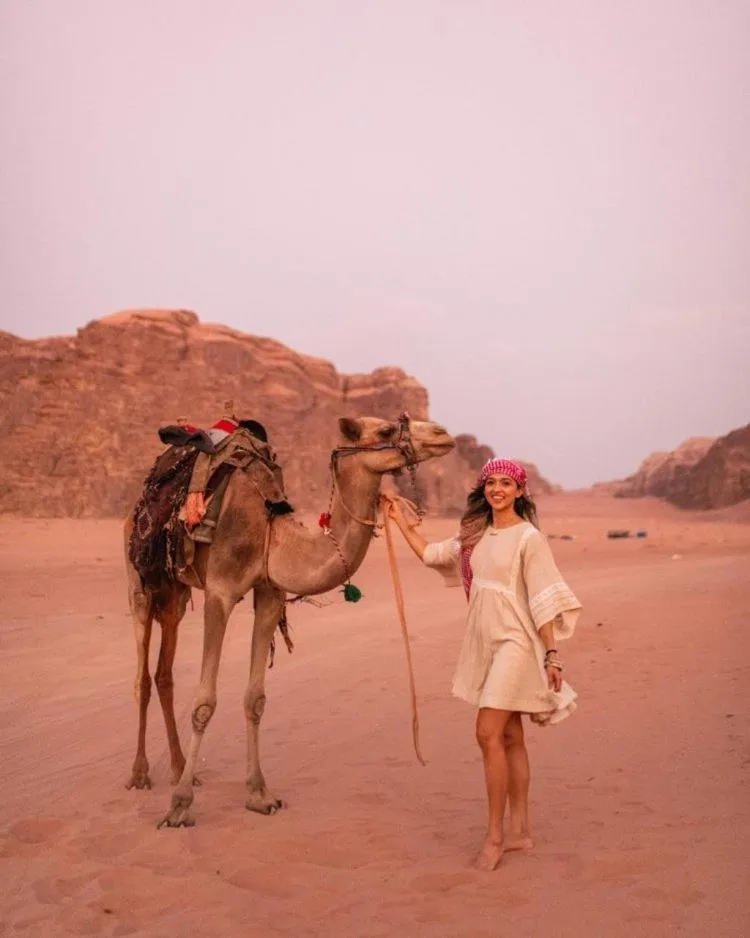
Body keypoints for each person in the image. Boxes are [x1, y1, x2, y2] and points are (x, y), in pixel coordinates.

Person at [386, 457, 581, 871]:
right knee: (510, 736)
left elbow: (543, 598)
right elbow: (431, 554)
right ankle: (521, 831)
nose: (497, 489)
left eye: (506, 483)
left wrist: (551, 653)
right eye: (491, 482)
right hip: (483, 641)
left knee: (486, 732)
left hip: (515, 641)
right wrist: (400, 520)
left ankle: (494, 837)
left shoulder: (529, 538)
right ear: (483, 489)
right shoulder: (475, 535)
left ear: (519, 491)